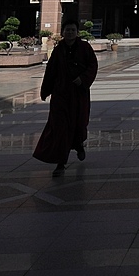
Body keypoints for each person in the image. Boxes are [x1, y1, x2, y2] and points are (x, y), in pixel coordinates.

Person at [33, 19, 98, 177]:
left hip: (78, 93)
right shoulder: (59, 49)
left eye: (72, 30)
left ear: (77, 32)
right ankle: (60, 163)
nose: (70, 33)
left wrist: (82, 79)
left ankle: (79, 145)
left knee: (79, 123)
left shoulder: (84, 47)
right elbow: (51, 71)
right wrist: (45, 90)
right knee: (60, 127)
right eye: (67, 30)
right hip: (61, 94)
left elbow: (92, 66)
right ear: (63, 32)